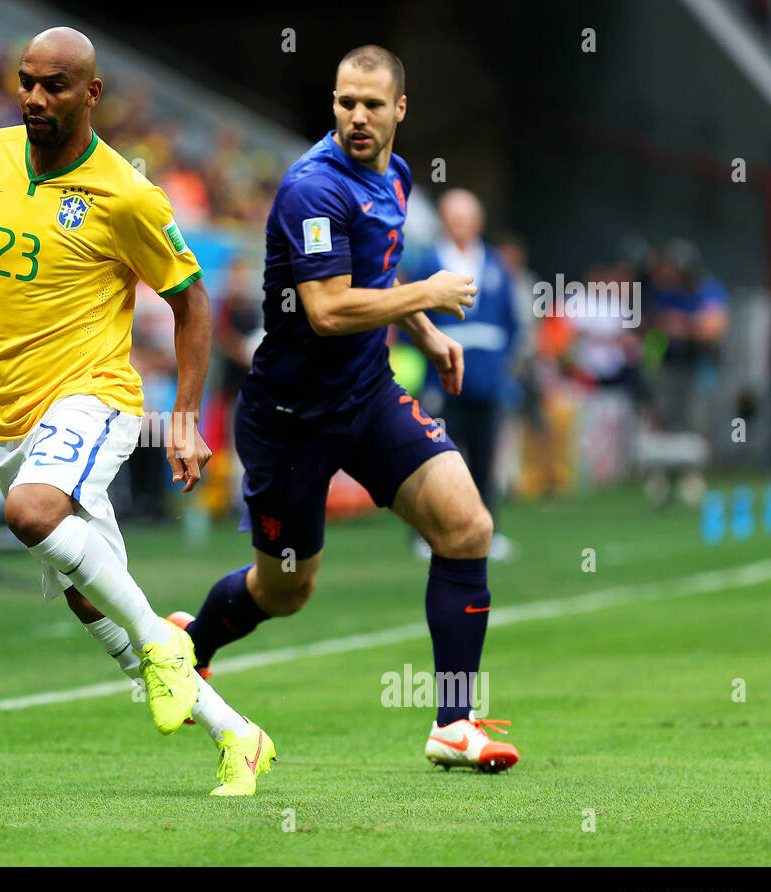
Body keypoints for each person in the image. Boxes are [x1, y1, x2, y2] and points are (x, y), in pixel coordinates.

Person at [0, 27, 275, 796]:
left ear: (91, 93)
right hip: (3, 413)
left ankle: (171, 649)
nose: (34, 97)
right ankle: (239, 736)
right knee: (91, 596)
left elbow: (190, 301)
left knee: (33, 512)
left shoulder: (125, 193)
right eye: (26, 81)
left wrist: (187, 417)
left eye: (54, 85)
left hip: (94, 395)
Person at [179, 45, 519, 772]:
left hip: (365, 397)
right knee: (286, 590)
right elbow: (329, 309)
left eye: (371, 104)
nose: (356, 117)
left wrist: (423, 333)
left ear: (401, 109)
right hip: (290, 420)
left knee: (466, 526)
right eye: (344, 103)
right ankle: (193, 642)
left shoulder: (391, 174)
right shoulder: (312, 188)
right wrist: (428, 296)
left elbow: (377, 271)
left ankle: (453, 724)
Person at [401, 188, 520, 559]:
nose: (459, 225)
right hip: (441, 379)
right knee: (436, 457)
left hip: (486, 381)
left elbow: (512, 324)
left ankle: (486, 529)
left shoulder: (497, 265)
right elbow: (410, 316)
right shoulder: (427, 263)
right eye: (453, 217)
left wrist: (503, 364)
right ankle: (428, 533)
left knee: (484, 459)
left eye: (466, 217)